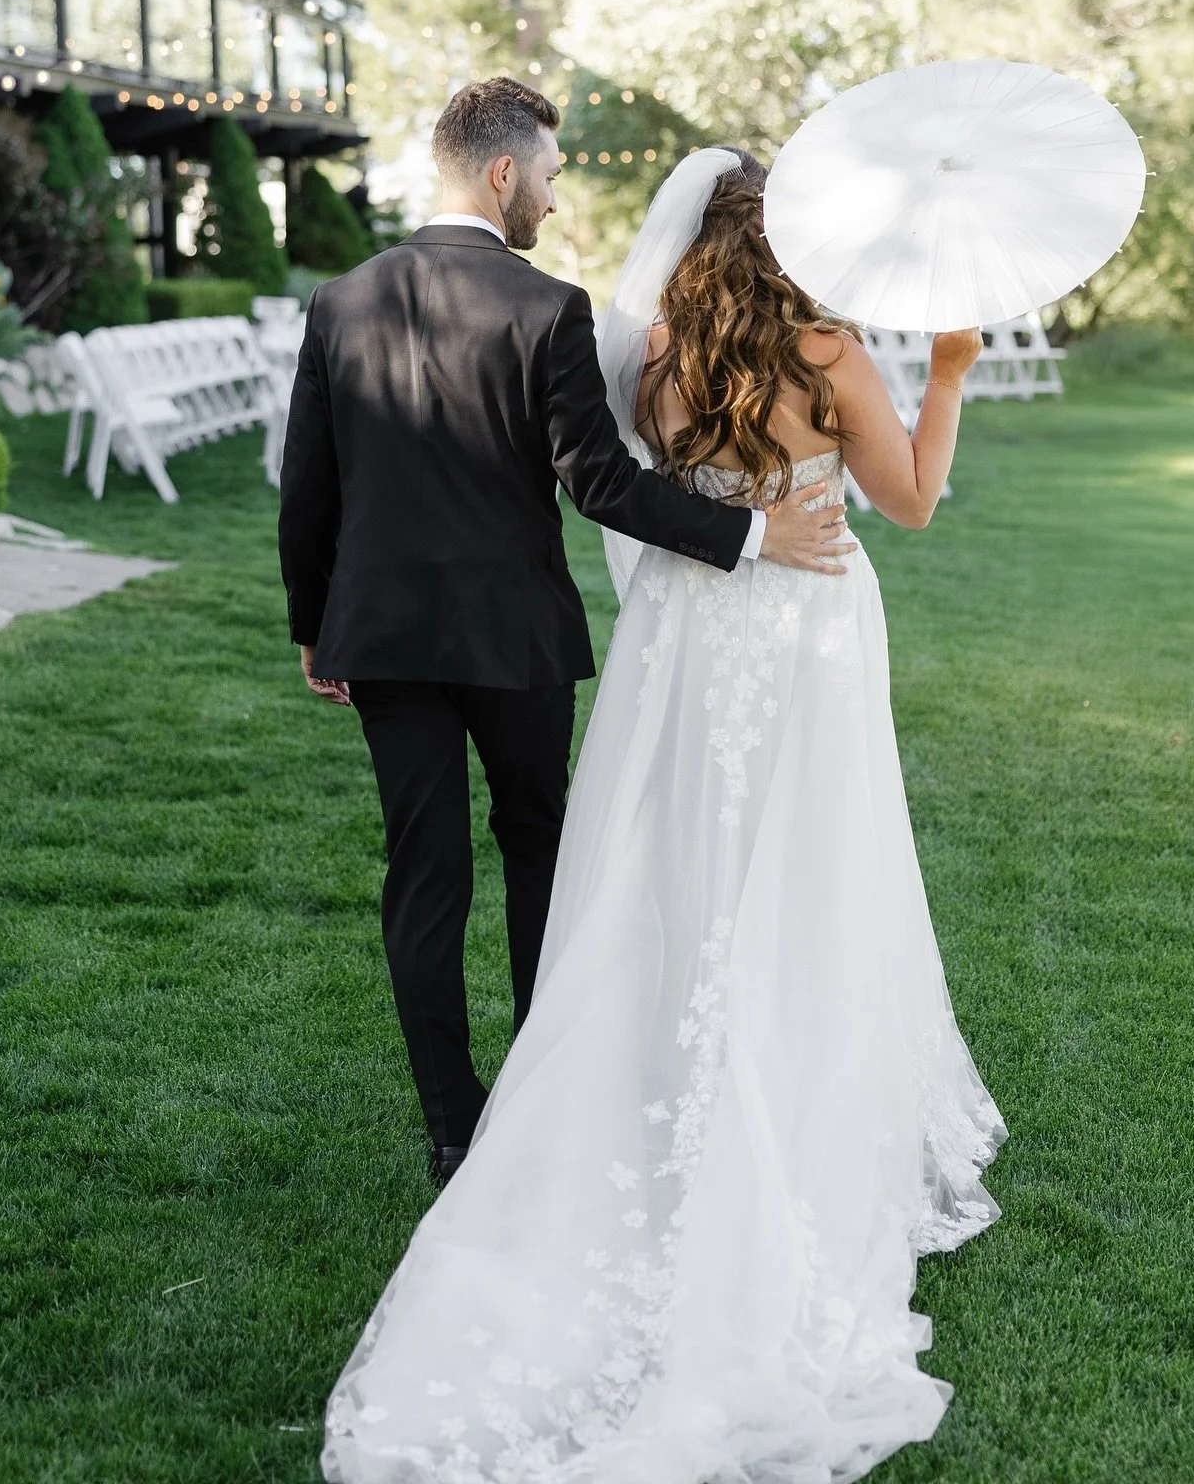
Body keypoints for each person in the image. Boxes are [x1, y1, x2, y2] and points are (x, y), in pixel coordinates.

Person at [319, 145, 1005, 1484]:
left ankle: (645, 1064)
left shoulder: (656, 359)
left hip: (688, 639)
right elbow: (910, 505)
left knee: (668, 859)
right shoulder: (829, 352)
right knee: (807, 865)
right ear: (796, 238)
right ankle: (782, 1078)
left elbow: (624, 493)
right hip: (803, 639)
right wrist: (952, 373)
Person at [278, 84, 855, 1188]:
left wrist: (317, 626)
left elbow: (312, 486)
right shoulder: (546, 308)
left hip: (383, 637)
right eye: (546, 173)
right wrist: (750, 534)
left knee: (424, 876)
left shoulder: (339, 300)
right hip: (514, 640)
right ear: (502, 174)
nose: (552, 194)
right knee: (541, 847)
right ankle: (542, 1103)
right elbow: (598, 485)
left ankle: (453, 1127)